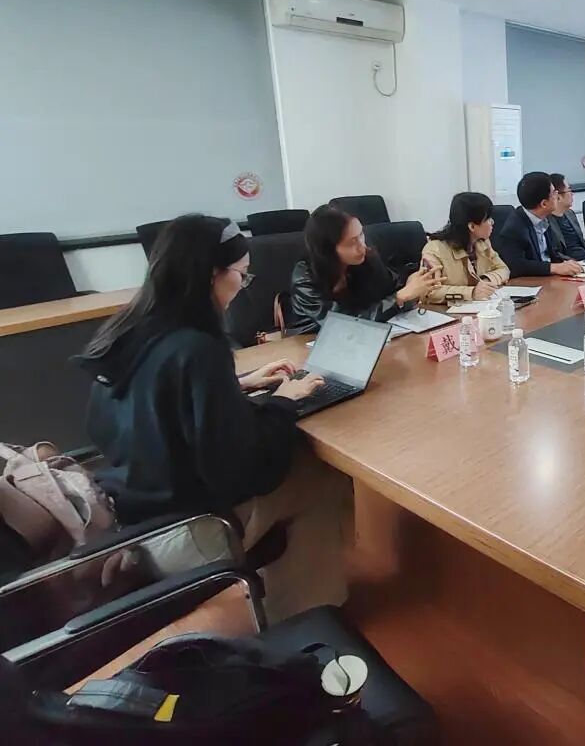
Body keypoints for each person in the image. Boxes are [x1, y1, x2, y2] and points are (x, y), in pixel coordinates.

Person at [76, 214, 347, 621]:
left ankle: (293, 599)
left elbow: (142, 409)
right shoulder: (199, 349)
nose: (242, 285)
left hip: (128, 512)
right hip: (187, 530)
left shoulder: (129, 330)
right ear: (210, 275)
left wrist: (234, 386)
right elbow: (244, 472)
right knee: (321, 474)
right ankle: (308, 617)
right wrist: (283, 401)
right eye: (241, 274)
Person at [287, 204, 441, 334]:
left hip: (364, 340)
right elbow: (343, 324)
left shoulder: (365, 258)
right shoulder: (305, 277)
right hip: (310, 345)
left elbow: (392, 287)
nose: (362, 247)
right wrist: (399, 298)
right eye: (352, 242)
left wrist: (412, 280)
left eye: (361, 235)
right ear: (328, 250)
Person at [420, 192, 511, 303]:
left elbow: (503, 269)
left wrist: (486, 280)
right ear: (472, 226)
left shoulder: (482, 243)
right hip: (445, 311)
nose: (492, 222)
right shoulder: (434, 250)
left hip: (480, 307)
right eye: (488, 219)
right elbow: (430, 292)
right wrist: (471, 293)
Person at [491, 171, 584, 278]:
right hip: (530, 282)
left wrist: (568, 263)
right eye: (554, 193)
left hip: (549, 278)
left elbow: (552, 253)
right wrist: (553, 268)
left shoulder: (544, 218)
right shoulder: (515, 228)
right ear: (544, 204)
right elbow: (516, 265)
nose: (557, 195)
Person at [548, 173, 585, 260]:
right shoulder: (545, 222)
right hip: (570, 263)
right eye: (569, 190)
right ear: (558, 197)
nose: (572, 194)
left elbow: (583, 242)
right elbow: (554, 253)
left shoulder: (570, 214)